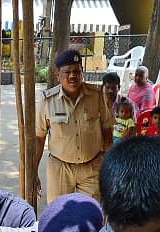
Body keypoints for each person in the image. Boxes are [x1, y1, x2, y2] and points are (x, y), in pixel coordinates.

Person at [35, 49, 114, 203]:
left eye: (77, 71)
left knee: (92, 217)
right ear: (58, 76)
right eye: (67, 72)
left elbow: (107, 132)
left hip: (92, 166)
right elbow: (39, 138)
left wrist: (110, 165)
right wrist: (33, 171)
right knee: (59, 217)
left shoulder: (97, 96)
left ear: (82, 73)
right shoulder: (47, 101)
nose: (73, 76)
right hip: (60, 168)